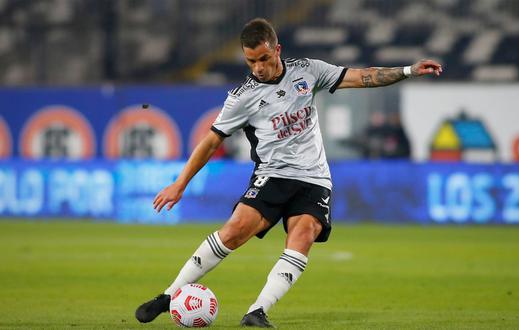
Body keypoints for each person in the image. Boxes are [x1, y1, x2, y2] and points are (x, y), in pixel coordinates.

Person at [135, 18, 442, 328]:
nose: (258, 67)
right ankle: (168, 296)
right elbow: (211, 141)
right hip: (273, 174)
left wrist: (408, 71)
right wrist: (180, 183)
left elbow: (362, 77)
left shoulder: (307, 71)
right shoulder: (242, 96)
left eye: (264, 58)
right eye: (251, 61)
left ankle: (257, 311)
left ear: (277, 50)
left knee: (304, 234)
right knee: (235, 231)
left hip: (314, 178)